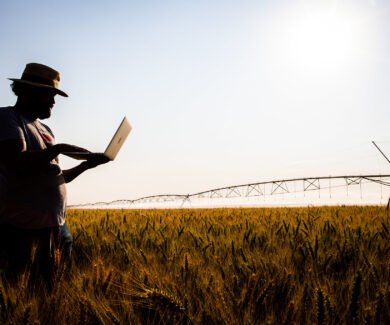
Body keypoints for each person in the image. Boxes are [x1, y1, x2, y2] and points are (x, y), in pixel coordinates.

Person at [0, 63, 108, 287]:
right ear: (29, 92)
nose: (53, 102)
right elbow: (17, 164)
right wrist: (58, 149)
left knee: (51, 289)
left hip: (56, 225)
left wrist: (86, 166)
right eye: (49, 95)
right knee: (21, 288)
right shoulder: (8, 118)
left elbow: (56, 175)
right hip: (23, 228)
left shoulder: (45, 130)